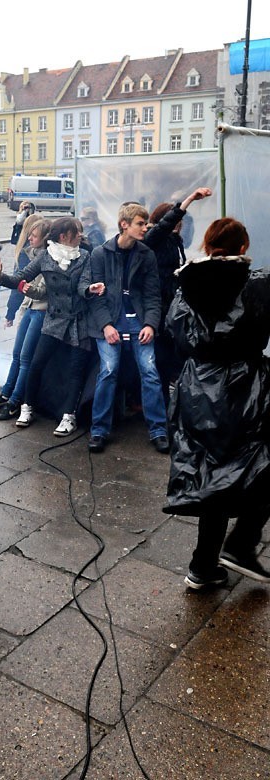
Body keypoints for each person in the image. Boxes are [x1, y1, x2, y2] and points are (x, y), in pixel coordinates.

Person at [163, 218, 270, 589]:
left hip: (197, 389)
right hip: (245, 387)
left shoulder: (184, 288)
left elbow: (176, 335)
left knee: (213, 472)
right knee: (261, 462)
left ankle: (204, 566)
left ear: (208, 246)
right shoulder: (258, 284)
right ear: (243, 247)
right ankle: (240, 543)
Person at [0, 217, 105, 436]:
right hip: (53, 319)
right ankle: (27, 407)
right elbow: (22, 278)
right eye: (76, 232)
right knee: (36, 363)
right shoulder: (46, 256)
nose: (80, 235)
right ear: (63, 236)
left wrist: (90, 289)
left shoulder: (85, 256)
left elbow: (82, 285)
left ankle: (68, 416)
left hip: (78, 321)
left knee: (75, 371)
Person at [84, 202, 169, 454]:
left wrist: (151, 324)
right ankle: (98, 430)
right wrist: (107, 325)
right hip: (109, 323)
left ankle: (158, 430)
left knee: (150, 372)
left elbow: (154, 296)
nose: (145, 228)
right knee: (108, 370)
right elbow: (95, 296)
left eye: (145, 223)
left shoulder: (146, 254)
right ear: (125, 225)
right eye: (140, 224)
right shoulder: (100, 253)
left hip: (139, 322)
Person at [144, 187, 212, 403]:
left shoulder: (175, 241)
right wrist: (190, 199)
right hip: (159, 304)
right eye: (177, 222)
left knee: (174, 353)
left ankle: (174, 396)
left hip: (172, 302)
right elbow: (167, 223)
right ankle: (162, 400)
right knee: (162, 356)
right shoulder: (153, 237)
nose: (179, 226)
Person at [0, 219, 51, 421]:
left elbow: (43, 291)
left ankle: (15, 401)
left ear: (45, 238)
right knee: (16, 355)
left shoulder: (50, 258)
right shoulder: (32, 254)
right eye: (29, 234)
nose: (30, 238)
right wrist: (0, 275)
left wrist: (25, 288)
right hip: (29, 308)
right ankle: (6, 394)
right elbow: (19, 279)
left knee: (25, 359)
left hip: (41, 310)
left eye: (34, 235)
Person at [4, 213, 44, 327]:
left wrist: (10, 313)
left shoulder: (27, 252)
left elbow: (19, 282)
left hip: (31, 304)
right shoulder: (30, 250)